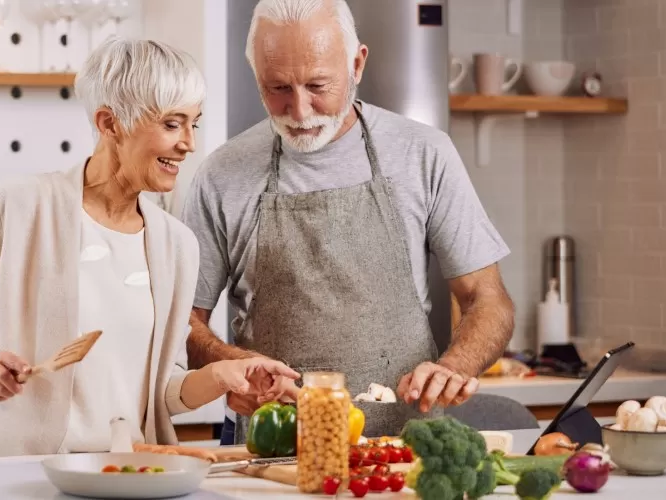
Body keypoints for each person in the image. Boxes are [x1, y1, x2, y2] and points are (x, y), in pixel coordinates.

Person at [0, 37, 297, 460]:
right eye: (171, 124)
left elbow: (164, 391)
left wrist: (222, 375)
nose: (188, 144)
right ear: (109, 124)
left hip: (128, 474)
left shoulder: (176, 244)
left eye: (193, 124)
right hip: (17, 474)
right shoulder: (19, 205)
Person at [181, 0, 516, 442]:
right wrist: (230, 368)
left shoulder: (424, 154)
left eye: (318, 85)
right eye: (277, 88)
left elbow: (488, 300)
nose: (299, 111)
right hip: (276, 449)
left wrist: (455, 367)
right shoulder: (221, 175)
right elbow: (182, 322)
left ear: (357, 64)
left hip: (405, 450)